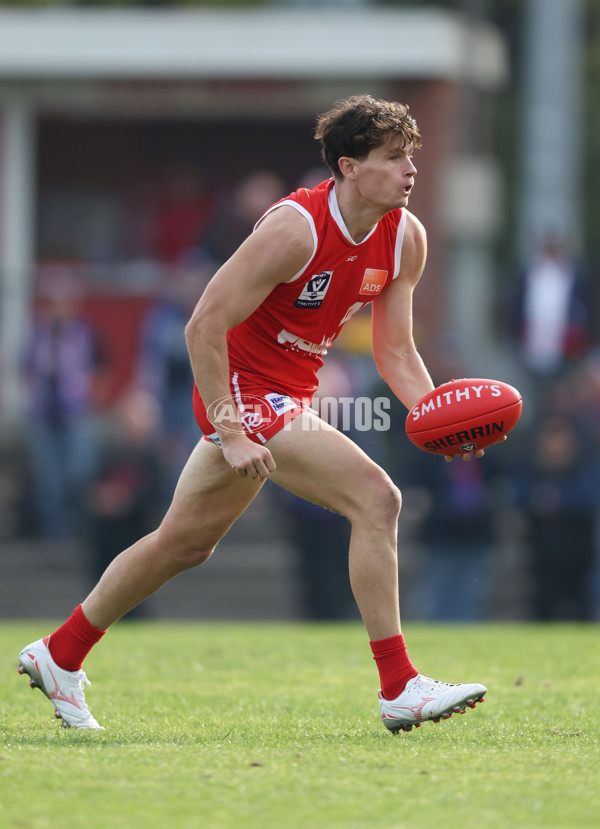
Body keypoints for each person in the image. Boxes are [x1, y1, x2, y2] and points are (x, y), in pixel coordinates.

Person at [18, 95, 487, 734]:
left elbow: (396, 349)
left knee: (184, 545)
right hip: (238, 391)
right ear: (349, 167)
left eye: (413, 156)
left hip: (287, 395)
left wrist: (437, 416)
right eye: (394, 157)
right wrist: (231, 428)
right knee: (377, 500)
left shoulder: (406, 238)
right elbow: (202, 324)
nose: (410, 170)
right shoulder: (295, 229)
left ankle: (60, 652)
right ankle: (399, 686)